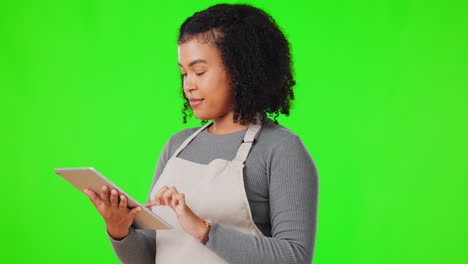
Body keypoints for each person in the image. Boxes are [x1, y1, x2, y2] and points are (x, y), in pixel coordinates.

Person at [83, 3, 319, 264]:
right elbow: (151, 256)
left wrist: (203, 229)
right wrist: (120, 231)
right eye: (184, 73)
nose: (188, 85)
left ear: (240, 69)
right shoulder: (177, 145)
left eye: (199, 71)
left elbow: (295, 257)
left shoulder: (281, 148)